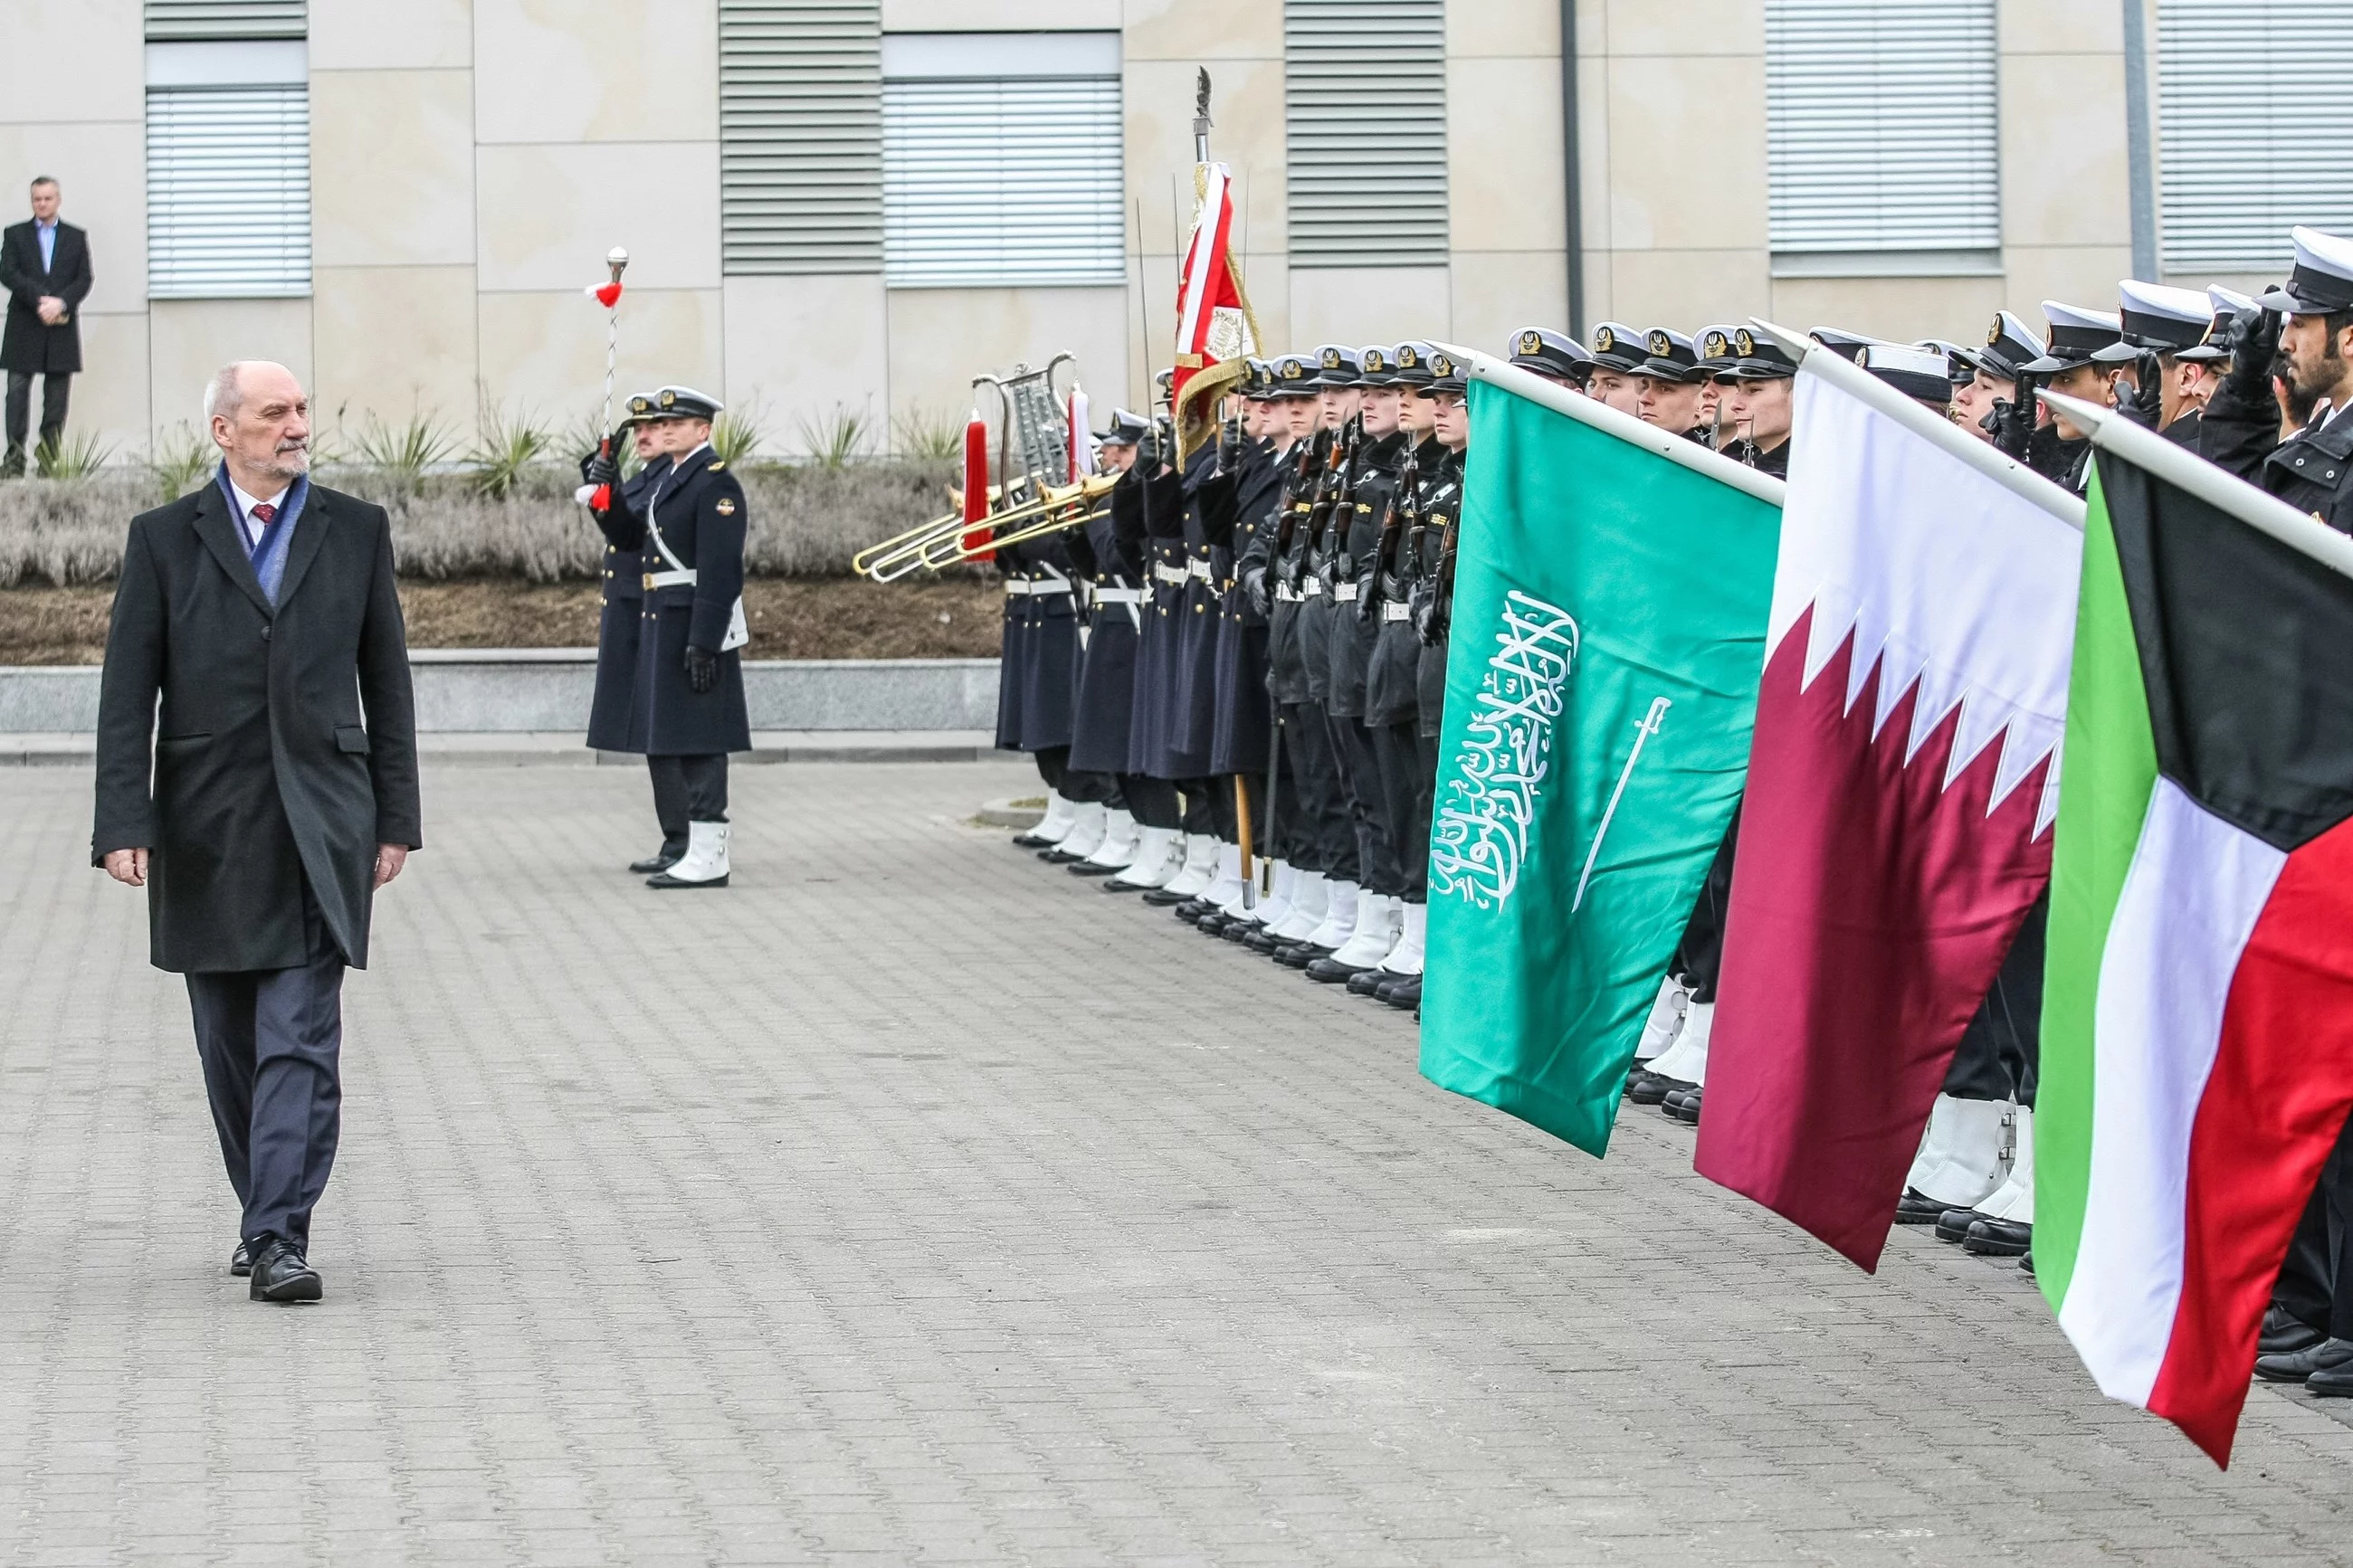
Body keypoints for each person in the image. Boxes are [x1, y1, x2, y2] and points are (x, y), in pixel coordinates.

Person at [90, 360, 420, 1303]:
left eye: (302, 409)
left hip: (325, 822)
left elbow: (386, 678)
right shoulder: (163, 539)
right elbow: (127, 691)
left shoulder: (355, 530)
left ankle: (279, 1231)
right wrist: (123, 818)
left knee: (300, 1038)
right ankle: (261, 1207)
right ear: (224, 431)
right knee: (229, 1039)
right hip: (208, 824)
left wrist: (396, 816)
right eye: (275, 412)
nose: (296, 425)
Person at [600, 385, 752, 888]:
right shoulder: (672, 482)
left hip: (691, 622)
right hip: (663, 620)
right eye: (661, 424)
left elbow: (721, 569)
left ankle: (710, 854)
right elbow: (631, 538)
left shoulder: (715, 485)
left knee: (703, 739)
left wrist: (706, 638)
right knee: (676, 735)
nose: (663, 430)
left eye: (676, 424)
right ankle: (691, 848)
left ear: (703, 430)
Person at [2201, 225, 2353, 535]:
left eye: (2299, 324)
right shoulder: (2321, 436)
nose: (2284, 343)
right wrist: (2248, 388)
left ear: (2349, 341)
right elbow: (2234, 504)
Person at [581, 396, 679, 870]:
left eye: (655, 428)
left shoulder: (676, 480)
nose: (642, 436)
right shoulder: (649, 477)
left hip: (657, 617)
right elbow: (619, 529)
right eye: (637, 429)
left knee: (667, 734)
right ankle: (677, 839)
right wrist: (602, 479)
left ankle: (685, 841)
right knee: (652, 733)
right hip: (636, 615)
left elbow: (637, 529)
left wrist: (611, 491)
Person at [1, 176, 90, 478]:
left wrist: (61, 303)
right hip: (24, 323)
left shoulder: (76, 237)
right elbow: (8, 272)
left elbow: (83, 279)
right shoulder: (14, 234)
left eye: (47, 198)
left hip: (60, 327)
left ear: (58, 200)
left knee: (56, 399)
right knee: (16, 394)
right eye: (36, 199)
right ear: (32, 201)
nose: (42, 204)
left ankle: (48, 461)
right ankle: (13, 460)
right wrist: (41, 300)